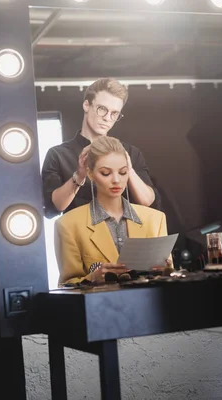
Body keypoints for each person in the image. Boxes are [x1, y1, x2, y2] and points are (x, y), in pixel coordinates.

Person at [54, 136, 170, 286]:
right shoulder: (68, 225)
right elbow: (66, 285)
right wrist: (93, 278)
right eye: (105, 173)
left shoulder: (155, 219)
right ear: (90, 174)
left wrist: (165, 270)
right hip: (100, 307)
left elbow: (169, 275)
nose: (116, 180)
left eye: (122, 172)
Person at [41, 78, 161, 219]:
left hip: (126, 238)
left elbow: (148, 202)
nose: (107, 118)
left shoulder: (131, 153)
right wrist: (79, 176)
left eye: (114, 113)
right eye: (102, 109)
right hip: (79, 238)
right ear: (86, 105)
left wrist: (129, 171)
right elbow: (52, 207)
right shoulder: (58, 155)